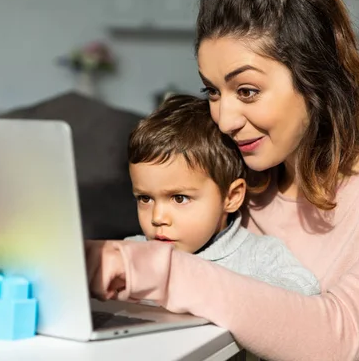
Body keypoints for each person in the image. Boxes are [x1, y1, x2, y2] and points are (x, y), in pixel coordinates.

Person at [85, 0, 359, 359]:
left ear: (314, 78)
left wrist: (144, 269)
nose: (224, 120)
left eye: (247, 90)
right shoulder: (247, 189)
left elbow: (339, 338)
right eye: (212, 91)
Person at [123, 94, 320, 295]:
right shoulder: (132, 252)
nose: (157, 218)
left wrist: (216, 285)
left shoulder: (258, 255)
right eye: (145, 198)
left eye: (179, 198)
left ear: (231, 197)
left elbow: (305, 290)